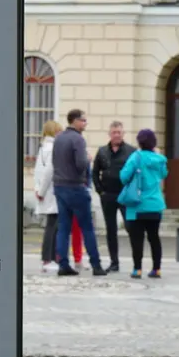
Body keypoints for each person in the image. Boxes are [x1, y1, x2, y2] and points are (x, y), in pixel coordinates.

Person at [52, 109, 106, 276]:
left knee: (63, 228)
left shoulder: (59, 138)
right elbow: (81, 164)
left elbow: (55, 161)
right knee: (87, 228)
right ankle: (96, 264)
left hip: (59, 186)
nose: (85, 123)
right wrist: (88, 159)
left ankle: (62, 264)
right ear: (74, 121)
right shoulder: (78, 139)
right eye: (83, 120)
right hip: (75, 187)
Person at [119, 129, 168, 279]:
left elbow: (123, 177)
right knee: (154, 237)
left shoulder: (136, 157)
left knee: (136, 238)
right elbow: (164, 174)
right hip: (155, 204)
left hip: (137, 204)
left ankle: (137, 269)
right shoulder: (160, 159)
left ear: (139, 142)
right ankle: (156, 269)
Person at [92, 121, 136, 273]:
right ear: (109, 134)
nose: (116, 135)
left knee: (132, 228)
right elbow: (95, 172)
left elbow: (138, 173)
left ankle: (137, 263)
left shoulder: (131, 151)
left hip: (126, 197)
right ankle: (114, 262)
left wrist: (134, 192)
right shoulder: (102, 151)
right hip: (108, 196)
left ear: (123, 134)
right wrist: (100, 191)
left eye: (119, 132)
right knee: (111, 230)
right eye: (114, 132)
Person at [33, 120, 62, 272]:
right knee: (52, 227)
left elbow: (38, 171)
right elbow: (48, 172)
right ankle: (48, 258)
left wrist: (38, 190)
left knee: (51, 226)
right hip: (51, 191)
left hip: (45, 192)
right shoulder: (54, 148)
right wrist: (43, 191)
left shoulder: (43, 147)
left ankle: (50, 258)